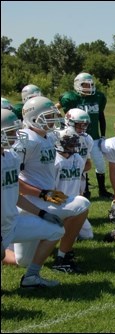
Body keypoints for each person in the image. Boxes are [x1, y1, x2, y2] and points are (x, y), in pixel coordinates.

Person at [15, 96, 91, 274]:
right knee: (22, 261)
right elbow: (12, 180)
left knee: (81, 204)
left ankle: (62, 257)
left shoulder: (49, 136)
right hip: (30, 201)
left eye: (53, 116)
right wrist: (43, 193)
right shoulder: (26, 140)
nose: (53, 120)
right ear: (32, 117)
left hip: (45, 198)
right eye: (47, 117)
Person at [1, 108, 65, 288]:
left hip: (11, 224)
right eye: (10, 132)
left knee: (55, 230)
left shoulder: (11, 157)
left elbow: (15, 195)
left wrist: (42, 213)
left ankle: (31, 277)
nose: (16, 135)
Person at [56, 72, 113, 199]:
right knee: (81, 163)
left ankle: (102, 189)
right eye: (85, 85)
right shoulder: (70, 97)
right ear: (77, 85)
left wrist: (102, 135)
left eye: (90, 84)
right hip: (76, 137)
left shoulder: (98, 97)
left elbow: (100, 116)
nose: (88, 87)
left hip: (93, 136)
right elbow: (56, 109)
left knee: (99, 164)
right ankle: (84, 189)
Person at [53, 127, 93, 240]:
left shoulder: (78, 158)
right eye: (70, 142)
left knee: (88, 235)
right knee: (68, 237)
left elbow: (78, 179)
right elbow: (51, 186)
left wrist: (80, 195)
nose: (74, 144)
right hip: (59, 202)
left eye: (75, 141)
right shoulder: (55, 161)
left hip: (74, 200)